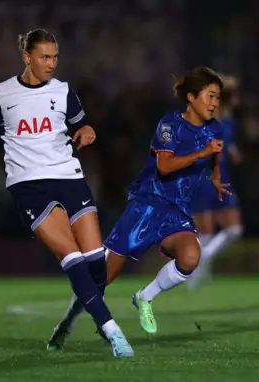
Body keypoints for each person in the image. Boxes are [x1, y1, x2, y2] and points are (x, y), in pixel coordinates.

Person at [0, 29, 133, 356]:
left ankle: (67, 323)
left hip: (68, 176)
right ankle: (113, 331)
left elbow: (83, 125)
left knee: (96, 264)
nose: (51, 63)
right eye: (44, 57)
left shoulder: (63, 91)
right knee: (72, 257)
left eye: (55, 57)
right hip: (28, 186)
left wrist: (87, 131)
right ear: (27, 57)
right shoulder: (3, 93)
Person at [47, 66, 230, 343]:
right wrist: (203, 153)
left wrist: (215, 177)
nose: (215, 103)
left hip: (177, 213)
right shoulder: (170, 125)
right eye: (211, 96)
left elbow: (214, 153)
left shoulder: (214, 128)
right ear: (191, 97)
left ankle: (144, 298)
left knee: (191, 257)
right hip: (147, 205)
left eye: (218, 98)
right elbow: (165, 166)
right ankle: (67, 323)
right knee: (101, 279)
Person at [187, 74, 244, 290]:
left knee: (209, 232)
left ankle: (199, 272)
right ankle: (200, 264)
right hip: (209, 178)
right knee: (231, 229)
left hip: (218, 177)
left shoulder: (226, 121)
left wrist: (231, 151)